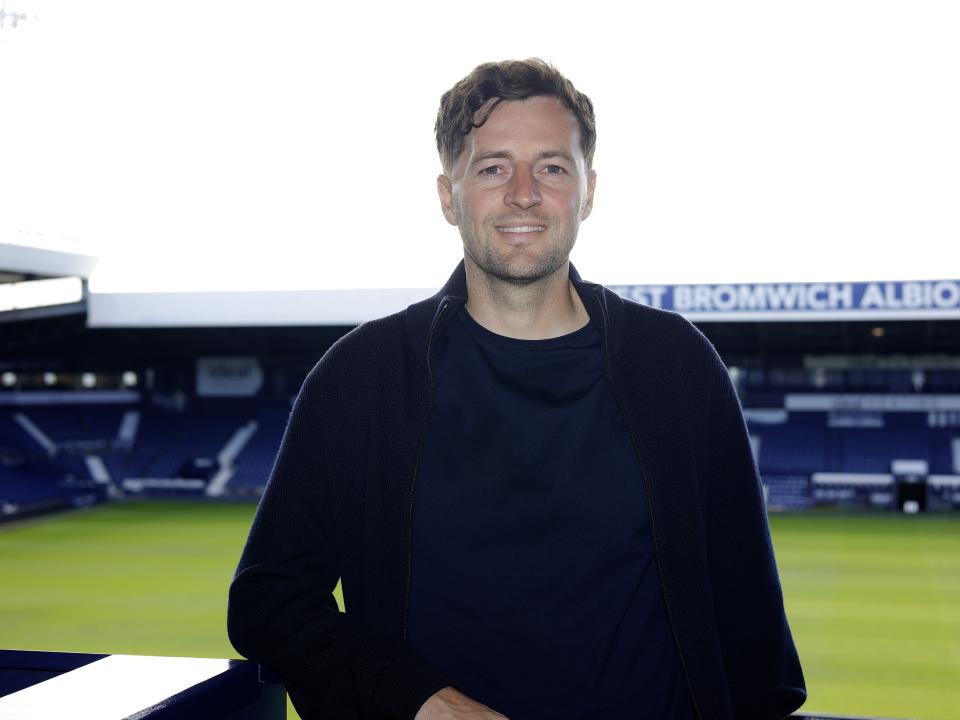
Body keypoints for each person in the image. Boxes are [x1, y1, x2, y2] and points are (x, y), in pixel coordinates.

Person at [227, 58, 806, 720]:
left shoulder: (678, 368)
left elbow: (750, 629)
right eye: (494, 167)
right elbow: (269, 596)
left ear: (588, 192)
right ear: (449, 196)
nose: (524, 192)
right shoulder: (362, 378)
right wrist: (418, 702)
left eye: (553, 167)